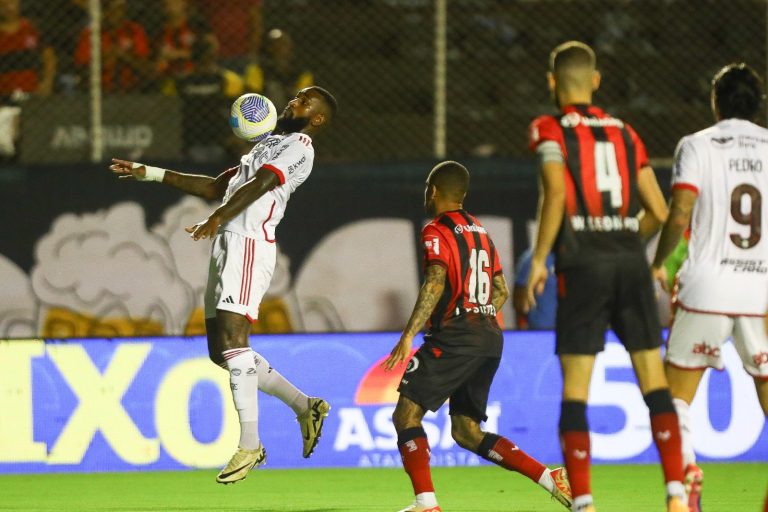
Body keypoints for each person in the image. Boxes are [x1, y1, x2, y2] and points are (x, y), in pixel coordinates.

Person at [109, 85, 338, 484]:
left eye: (304, 101)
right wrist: (152, 173)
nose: (293, 102)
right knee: (222, 352)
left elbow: (263, 185)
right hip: (227, 245)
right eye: (296, 96)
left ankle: (250, 444)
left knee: (235, 346)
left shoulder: (300, 145)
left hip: (249, 245)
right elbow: (218, 186)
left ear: (316, 119)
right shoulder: (268, 144)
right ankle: (306, 406)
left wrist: (218, 217)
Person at [524, 41, 686, 512]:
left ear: (552, 82)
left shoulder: (548, 128)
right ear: (596, 81)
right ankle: (676, 493)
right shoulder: (626, 132)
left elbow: (555, 193)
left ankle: (585, 503)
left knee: (577, 388)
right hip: (629, 263)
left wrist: (539, 260)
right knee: (654, 383)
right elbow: (659, 210)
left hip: (583, 265)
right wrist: (619, 232)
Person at [383, 161, 573, 512]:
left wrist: (409, 335)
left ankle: (426, 504)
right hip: (488, 337)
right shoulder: (481, 232)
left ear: (433, 191)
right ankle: (550, 478)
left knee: (405, 416)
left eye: (427, 188)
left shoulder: (435, 230)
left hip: (456, 336)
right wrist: (478, 309)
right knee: (466, 431)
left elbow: (435, 281)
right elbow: (498, 289)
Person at [651, 63, 768, 512]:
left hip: (707, 288)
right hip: (760, 292)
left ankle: (686, 478)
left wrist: (658, 261)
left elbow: (680, 211)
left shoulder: (697, 144)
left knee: (674, 397)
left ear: (715, 101)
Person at [74, 0, 151, 92]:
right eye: (109, 8)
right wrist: (102, 61)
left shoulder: (135, 31)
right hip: (99, 91)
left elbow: (147, 70)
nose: (113, 13)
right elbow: (80, 71)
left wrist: (123, 56)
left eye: (118, 9)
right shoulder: (90, 34)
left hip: (131, 90)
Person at [0, 0, 56, 100]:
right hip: (3, 94)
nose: (8, 8)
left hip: (31, 91)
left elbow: (49, 57)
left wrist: (47, 82)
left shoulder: (32, 28)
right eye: (3, 5)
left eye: (11, 3)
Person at [512, 248, 556, 329]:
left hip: (570, 330)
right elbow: (518, 297)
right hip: (539, 331)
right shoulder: (530, 260)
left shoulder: (574, 257)